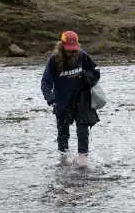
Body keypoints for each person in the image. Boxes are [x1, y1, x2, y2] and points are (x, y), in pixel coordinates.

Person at [41, 31, 100, 167]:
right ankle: (63, 159)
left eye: (73, 49)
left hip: (81, 99)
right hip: (62, 101)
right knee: (62, 132)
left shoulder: (82, 55)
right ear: (61, 45)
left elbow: (95, 71)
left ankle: (83, 162)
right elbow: (45, 81)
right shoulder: (54, 60)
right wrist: (50, 98)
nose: (71, 52)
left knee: (83, 130)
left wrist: (89, 77)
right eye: (68, 49)